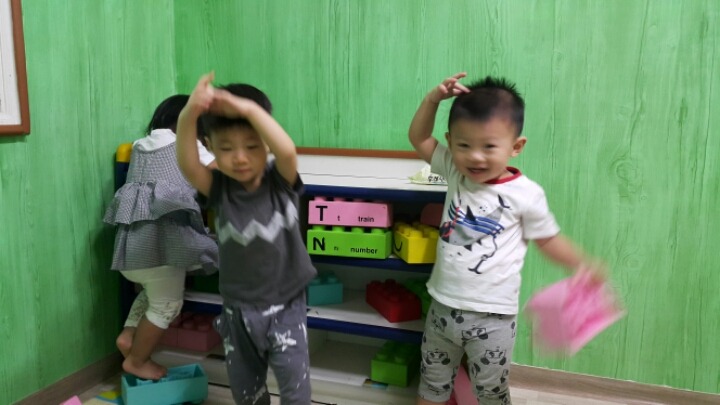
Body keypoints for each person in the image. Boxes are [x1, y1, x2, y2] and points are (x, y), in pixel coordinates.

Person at [408, 72, 606, 405]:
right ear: (451, 142)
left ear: (516, 146)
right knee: (431, 385)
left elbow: (548, 239)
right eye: (464, 145)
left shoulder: (525, 194)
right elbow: (419, 137)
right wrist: (432, 100)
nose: (476, 157)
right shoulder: (454, 170)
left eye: (489, 146)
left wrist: (582, 263)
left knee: (491, 393)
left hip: (493, 319)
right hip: (442, 308)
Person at [176, 73, 317, 405]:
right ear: (210, 146)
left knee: (295, 389)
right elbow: (188, 164)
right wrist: (189, 113)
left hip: (286, 306)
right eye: (227, 148)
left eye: (252, 146)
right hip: (237, 309)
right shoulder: (219, 188)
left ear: (266, 143)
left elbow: (287, 150)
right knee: (246, 391)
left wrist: (248, 109)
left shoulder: (280, 180)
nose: (240, 157)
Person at [103, 94, 219, 380]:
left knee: (151, 292)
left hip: (131, 250)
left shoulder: (138, 147)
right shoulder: (188, 146)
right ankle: (137, 360)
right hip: (162, 251)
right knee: (167, 304)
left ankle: (129, 335)